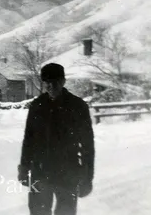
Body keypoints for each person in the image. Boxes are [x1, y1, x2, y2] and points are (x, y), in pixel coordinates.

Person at [18, 63, 95, 215]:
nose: (51, 86)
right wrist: (24, 168)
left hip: (68, 173)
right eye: (47, 82)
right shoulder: (37, 105)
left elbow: (87, 145)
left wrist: (87, 178)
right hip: (40, 171)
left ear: (63, 81)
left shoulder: (78, 106)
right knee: (38, 211)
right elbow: (29, 140)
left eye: (56, 82)